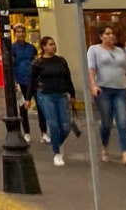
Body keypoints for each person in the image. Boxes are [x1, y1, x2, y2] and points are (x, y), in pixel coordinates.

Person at [87, 26, 126, 167]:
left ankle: (125, 154)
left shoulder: (120, 51)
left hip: (120, 89)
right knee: (106, 122)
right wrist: (93, 85)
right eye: (107, 34)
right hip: (103, 90)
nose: (111, 36)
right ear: (101, 36)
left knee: (123, 121)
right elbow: (91, 68)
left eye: (112, 33)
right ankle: (105, 147)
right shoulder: (94, 50)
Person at [26, 36, 76, 167]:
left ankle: (57, 143)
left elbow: (67, 77)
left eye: (54, 44)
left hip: (61, 95)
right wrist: (28, 98)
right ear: (44, 47)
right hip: (45, 95)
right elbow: (32, 81)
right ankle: (57, 153)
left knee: (66, 126)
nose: (53, 46)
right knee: (53, 124)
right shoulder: (38, 63)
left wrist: (72, 94)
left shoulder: (61, 61)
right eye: (50, 44)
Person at [10, 25, 39, 141]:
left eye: (22, 31)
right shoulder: (12, 48)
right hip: (20, 80)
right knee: (22, 107)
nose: (21, 34)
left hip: (33, 80)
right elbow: (11, 65)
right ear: (15, 34)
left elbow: (36, 62)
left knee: (40, 106)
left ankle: (43, 132)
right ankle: (26, 132)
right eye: (18, 32)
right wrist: (14, 81)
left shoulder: (31, 48)